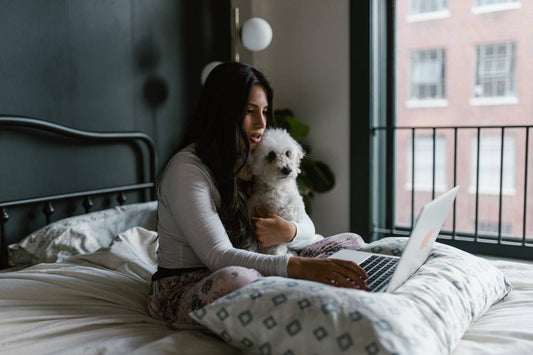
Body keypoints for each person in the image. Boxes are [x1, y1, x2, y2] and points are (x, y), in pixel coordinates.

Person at [147, 62, 368, 329]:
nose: (262, 123)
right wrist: (296, 267)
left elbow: (308, 226)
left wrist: (288, 232)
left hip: (251, 265)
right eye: (250, 111)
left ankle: (295, 292)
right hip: (187, 285)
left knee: (348, 244)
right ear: (223, 112)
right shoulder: (187, 169)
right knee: (238, 280)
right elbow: (217, 255)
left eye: (264, 111)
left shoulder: (254, 160)